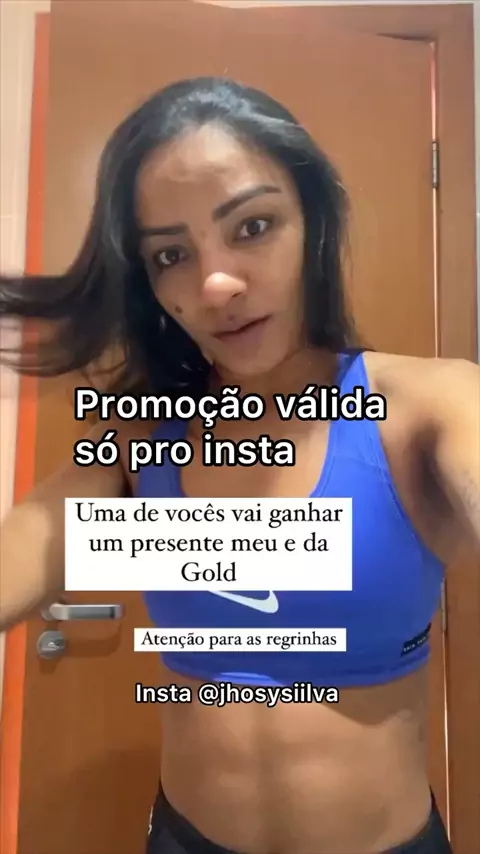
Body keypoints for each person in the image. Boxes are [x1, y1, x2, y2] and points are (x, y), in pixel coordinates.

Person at [0, 77, 478, 854]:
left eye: (253, 226)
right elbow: (32, 538)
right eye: (171, 255)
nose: (215, 283)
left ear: (312, 223)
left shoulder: (425, 407)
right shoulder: (146, 438)